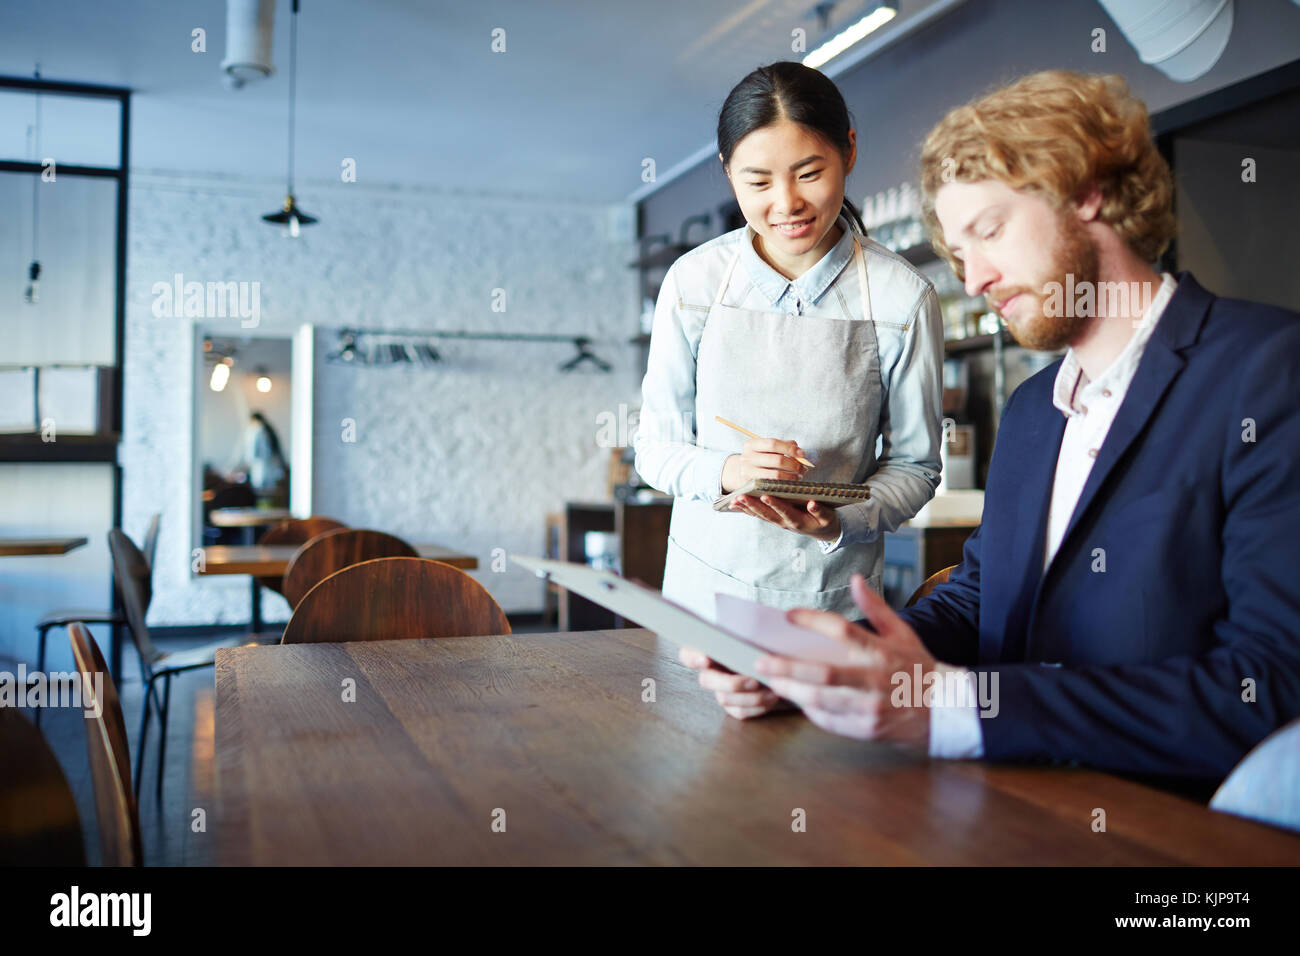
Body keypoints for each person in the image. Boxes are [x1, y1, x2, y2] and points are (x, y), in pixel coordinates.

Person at [684, 69, 1300, 787]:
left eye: (990, 230)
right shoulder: (1037, 408)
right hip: (1019, 806)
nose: (972, 278)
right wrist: (828, 666)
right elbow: (983, 599)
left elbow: (1272, 684)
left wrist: (956, 704)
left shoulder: (1267, 371)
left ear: (1088, 192)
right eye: (957, 249)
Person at [634, 62, 944, 648]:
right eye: (757, 182)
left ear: (849, 152)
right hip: (705, 600)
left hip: (834, 601)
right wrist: (728, 471)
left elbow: (917, 466)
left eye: (809, 172)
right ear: (728, 174)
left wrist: (840, 518)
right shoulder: (693, 284)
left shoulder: (905, 297)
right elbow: (654, 448)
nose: (787, 203)